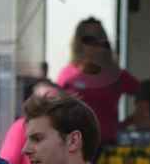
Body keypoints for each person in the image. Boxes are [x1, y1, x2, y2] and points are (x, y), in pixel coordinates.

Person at [55, 18, 140, 149]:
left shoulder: (115, 74)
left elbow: (145, 93)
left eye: (98, 38)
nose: (93, 45)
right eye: (88, 40)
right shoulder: (68, 74)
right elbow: (54, 110)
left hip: (108, 146)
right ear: (79, 43)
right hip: (76, 147)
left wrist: (126, 123)